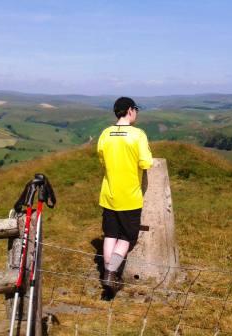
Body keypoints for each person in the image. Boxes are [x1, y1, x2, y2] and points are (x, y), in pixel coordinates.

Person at [97, 96, 153, 292]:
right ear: (130, 110)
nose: (136, 113)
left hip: (108, 193)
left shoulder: (105, 133)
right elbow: (146, 163)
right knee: (128, 237)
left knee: (110, 234)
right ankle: (111, 274)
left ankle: (106, 273)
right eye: (135, 109)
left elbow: (102, 161)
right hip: (130, 196)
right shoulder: (138, 135)